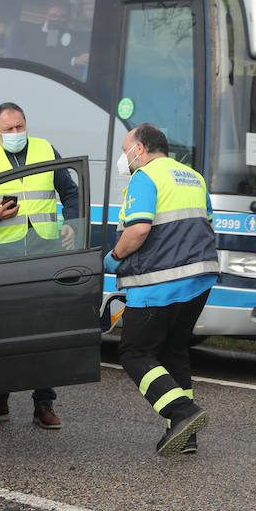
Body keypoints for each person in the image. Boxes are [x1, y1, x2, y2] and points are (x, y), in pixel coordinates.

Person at [0, 102, 80, 430]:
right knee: (1, 329)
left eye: (20, 126)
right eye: (9, 129)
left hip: (44, 250)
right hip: (2, 255)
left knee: (44, 328)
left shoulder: (45, 149)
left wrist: (71, 224)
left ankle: (44, 403)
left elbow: (71, 193)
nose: (16, 133)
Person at [104, 122, 219, 457]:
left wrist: (114, 257)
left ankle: (182, 413)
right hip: (199, 280)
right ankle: (185, 435)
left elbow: (139, 229)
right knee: (173, 350)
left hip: (158, 282)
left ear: (140, 148)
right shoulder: (193, 177)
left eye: (126, 148)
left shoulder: (146, 177)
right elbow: (208, 224)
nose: (125, 156)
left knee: (134, 352)